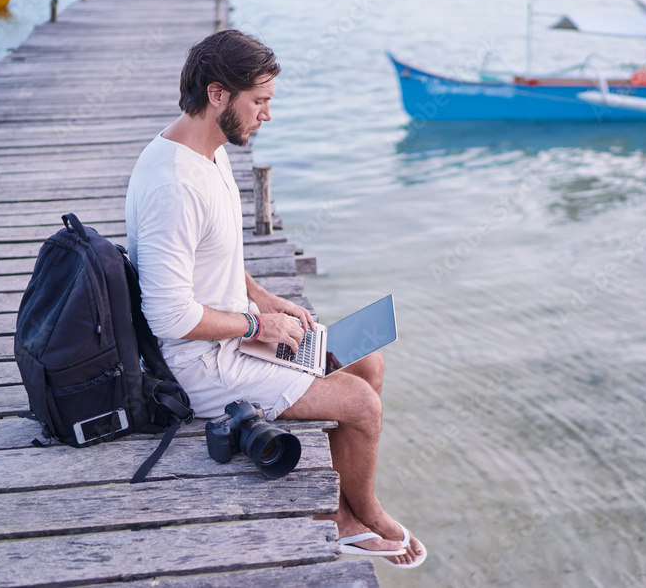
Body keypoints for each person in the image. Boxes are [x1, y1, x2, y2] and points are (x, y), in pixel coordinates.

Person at [125, 30, 426, 568]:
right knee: (360, 404)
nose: (267, 115)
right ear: (218, 94)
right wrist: (254, 327)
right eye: (259, 101)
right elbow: (168, 315)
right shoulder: (173, 184)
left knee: (367, 360)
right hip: (198, 365)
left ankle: (351, 508)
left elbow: (215, 259)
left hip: (230, 336)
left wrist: (268, 299)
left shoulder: (207, 153)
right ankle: (352, 517)